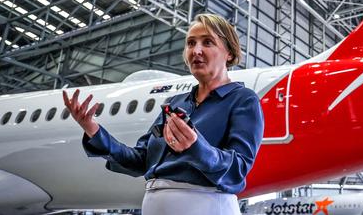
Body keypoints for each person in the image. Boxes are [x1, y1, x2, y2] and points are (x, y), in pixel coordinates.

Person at [63, 14, 264, 214]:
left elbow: (238, 169)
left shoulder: (243, 99)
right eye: (190, 43)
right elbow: (141, 160)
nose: (196, 51)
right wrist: (93, 130)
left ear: (229, 53)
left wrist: (195, 147)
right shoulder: (175, 103)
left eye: (208, 42)